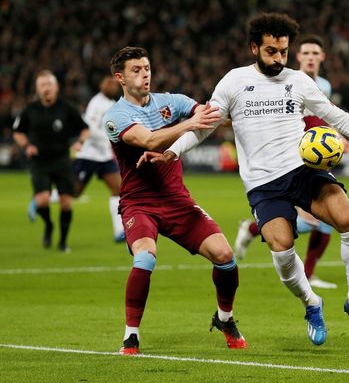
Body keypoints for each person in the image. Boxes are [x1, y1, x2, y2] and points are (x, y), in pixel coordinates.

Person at [141, 13, 349, 346]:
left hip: (303, 171)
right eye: (271, 51)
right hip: (263, 184)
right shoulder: (234, 82)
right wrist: (172, 152)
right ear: (254, 47)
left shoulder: (298, 80)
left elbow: (334, 115)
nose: (279, 59)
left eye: (283, 51)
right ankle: (312, 303)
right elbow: (205, 126)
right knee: (282, 250)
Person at [103, 46, 246, 355]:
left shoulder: (172, 102)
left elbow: (206, 116)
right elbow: (149, 140)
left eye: (147, 68)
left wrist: (213, 117)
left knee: (225, 255)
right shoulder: (116, 116)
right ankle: (131, 335)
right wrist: (188, 125)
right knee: (146, 256)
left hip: (177, 200)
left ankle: (224, 317)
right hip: (139, 203)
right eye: (136, 70)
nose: (144, 74)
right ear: (120, 77)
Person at [234, 34, 345, 290]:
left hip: (314, 155)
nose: (310, 58)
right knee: (311, 220)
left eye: (315, 53)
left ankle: (307, 271)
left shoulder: (324, 86)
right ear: (298, 57)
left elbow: (321, 117)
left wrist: (336, 138)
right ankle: (253, 229)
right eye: (306, 53)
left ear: (322, 57)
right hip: (289, 158)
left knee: (326, 218)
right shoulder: (288, 81)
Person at [13, 70, 90, 252]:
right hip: (39, 162)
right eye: (42, 85)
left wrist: (79, 142)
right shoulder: (30, 110)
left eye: (49, 84)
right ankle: (48, 225)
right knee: (42, 201)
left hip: (62, 160)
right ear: (38, 89)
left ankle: (63, 241)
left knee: (66, 202)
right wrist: (26, 146)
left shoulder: (67, 108)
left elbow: (85, 129)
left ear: (56, 87)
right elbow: (18, 131)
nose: (46, 88)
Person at [72, 76, 126, 242]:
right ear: (105, 88)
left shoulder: (111, 104)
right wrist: (107, 140)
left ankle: (119, 232)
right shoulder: (96, 103)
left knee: (118, 190)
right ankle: (41, 200)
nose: (114, 89)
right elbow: (89, 128)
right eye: (111, 86)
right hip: (89, 155)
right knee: (74, 192)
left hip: (103, 157)